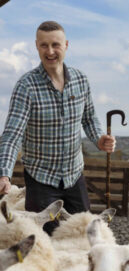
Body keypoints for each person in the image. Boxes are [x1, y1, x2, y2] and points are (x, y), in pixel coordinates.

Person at [0, 21, 115, 234]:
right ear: (36, 46)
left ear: (66, 45)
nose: (50, 51)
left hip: (74, 176)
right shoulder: (26, 86)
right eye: (44, 45)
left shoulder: (81, 80)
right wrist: (4, 174)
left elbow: (89, 119)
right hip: (40, 179)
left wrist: (99, 138)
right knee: (43, 238)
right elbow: (12, 135)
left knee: (83, 234)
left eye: (55, 44)